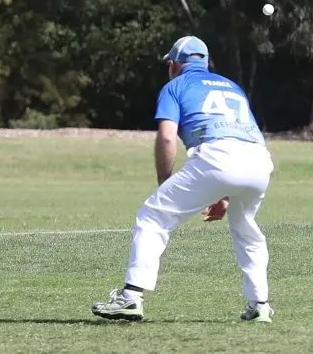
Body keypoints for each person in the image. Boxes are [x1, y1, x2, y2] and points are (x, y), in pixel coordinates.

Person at [91, 36, 275, 323]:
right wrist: (224, 193)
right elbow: (238, 137)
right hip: (259, 160)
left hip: (217, 157)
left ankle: (131, 297)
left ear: (175, 65)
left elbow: (167, 137)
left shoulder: (174, 86)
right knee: (247, 230)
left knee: (153, 216)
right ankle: (260, 304)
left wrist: (165, 181)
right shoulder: (232, 86)